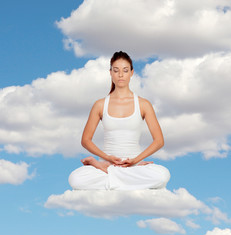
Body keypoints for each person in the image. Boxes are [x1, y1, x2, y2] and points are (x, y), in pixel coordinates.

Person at [68, 51, 170, 190]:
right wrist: (107, 158)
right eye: (116, 70)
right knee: (76, 179)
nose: (121, 75)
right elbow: (85, 140)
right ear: (110, 73)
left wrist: (137, 160)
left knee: (162, 176)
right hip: (107, 162)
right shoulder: (100, 104)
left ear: (132, 73)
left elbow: (159, 141)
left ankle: (108, 172)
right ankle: (107, 168)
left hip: (134, 164)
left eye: (125, 70)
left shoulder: (143, 104)